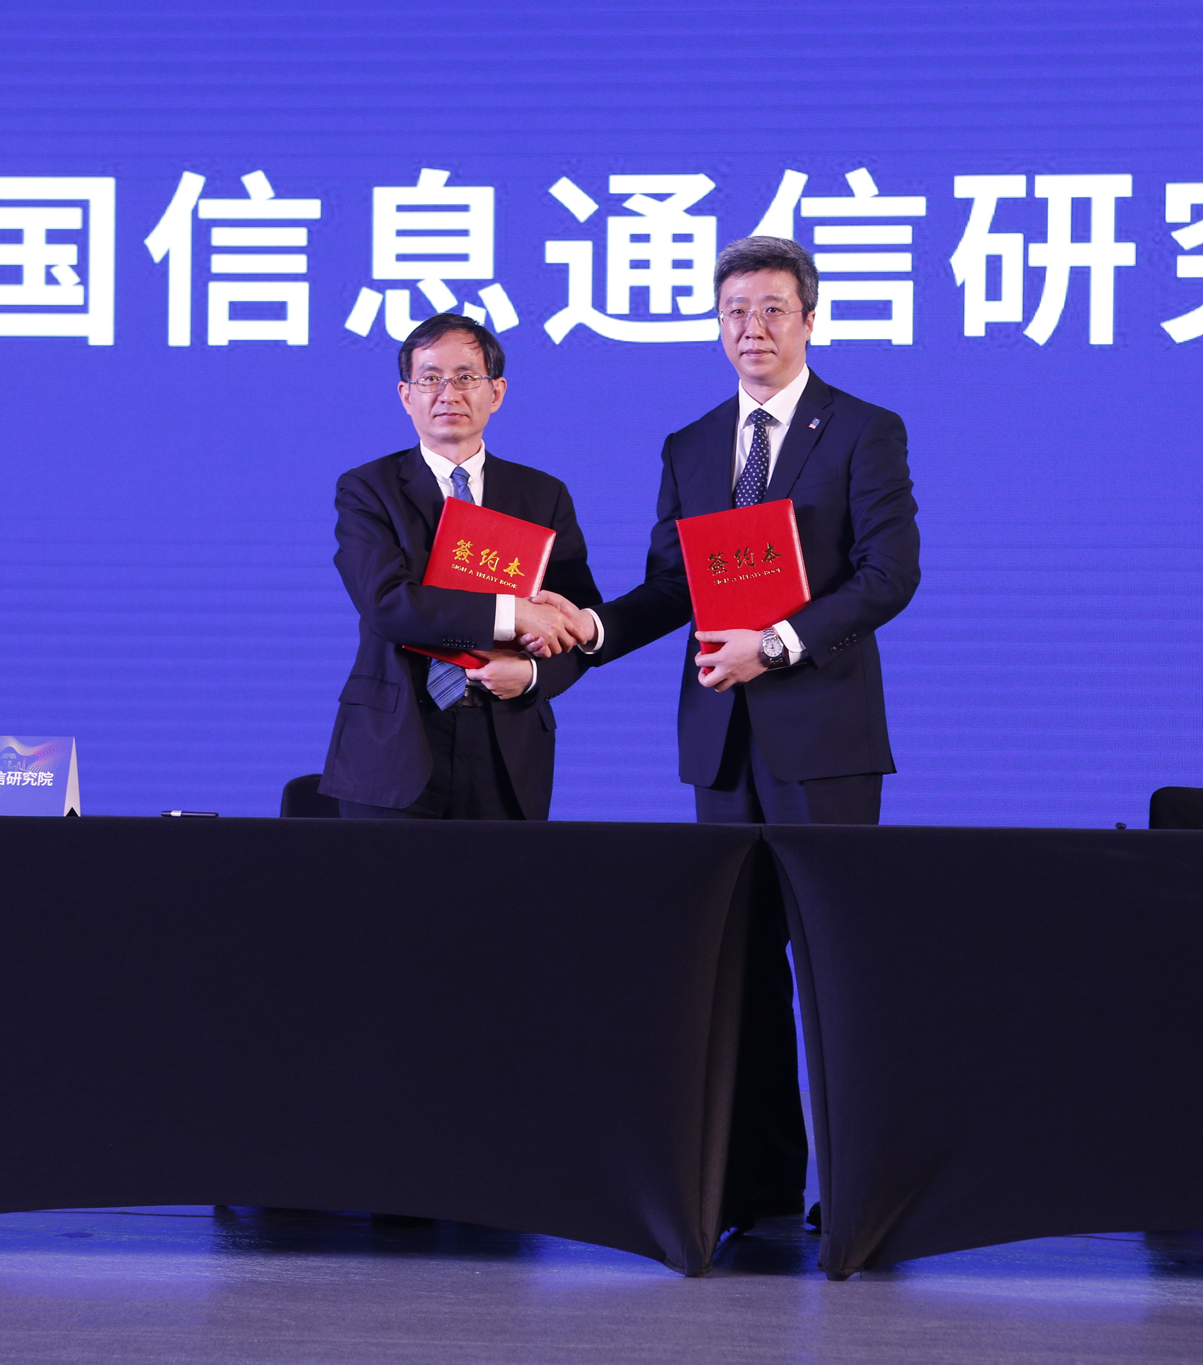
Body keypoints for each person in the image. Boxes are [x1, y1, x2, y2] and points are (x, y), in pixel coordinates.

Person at [539, 236, 921, 1230]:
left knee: (835, 971)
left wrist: (778, 644)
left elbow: (889, 576)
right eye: (735, 312)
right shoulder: (693, 443)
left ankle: (853, 1191)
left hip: (823, 741)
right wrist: (587, 633)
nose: (752, 328)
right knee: (738, 973)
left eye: (772, 310)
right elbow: (674, 586)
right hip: (719, 741)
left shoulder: (863, 430)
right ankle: (756, 1188)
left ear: (809, 320)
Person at [318, 313, 597, 821]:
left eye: (466, 376)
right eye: (430, 378)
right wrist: (513, 613)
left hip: (507, 742)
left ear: (497, 391)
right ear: (406, 395)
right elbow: (388, 605)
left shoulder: (542, 495)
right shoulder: (368, 489)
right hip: (395, 741)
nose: (448, 393)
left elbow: (575, 622)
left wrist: (533, 674)